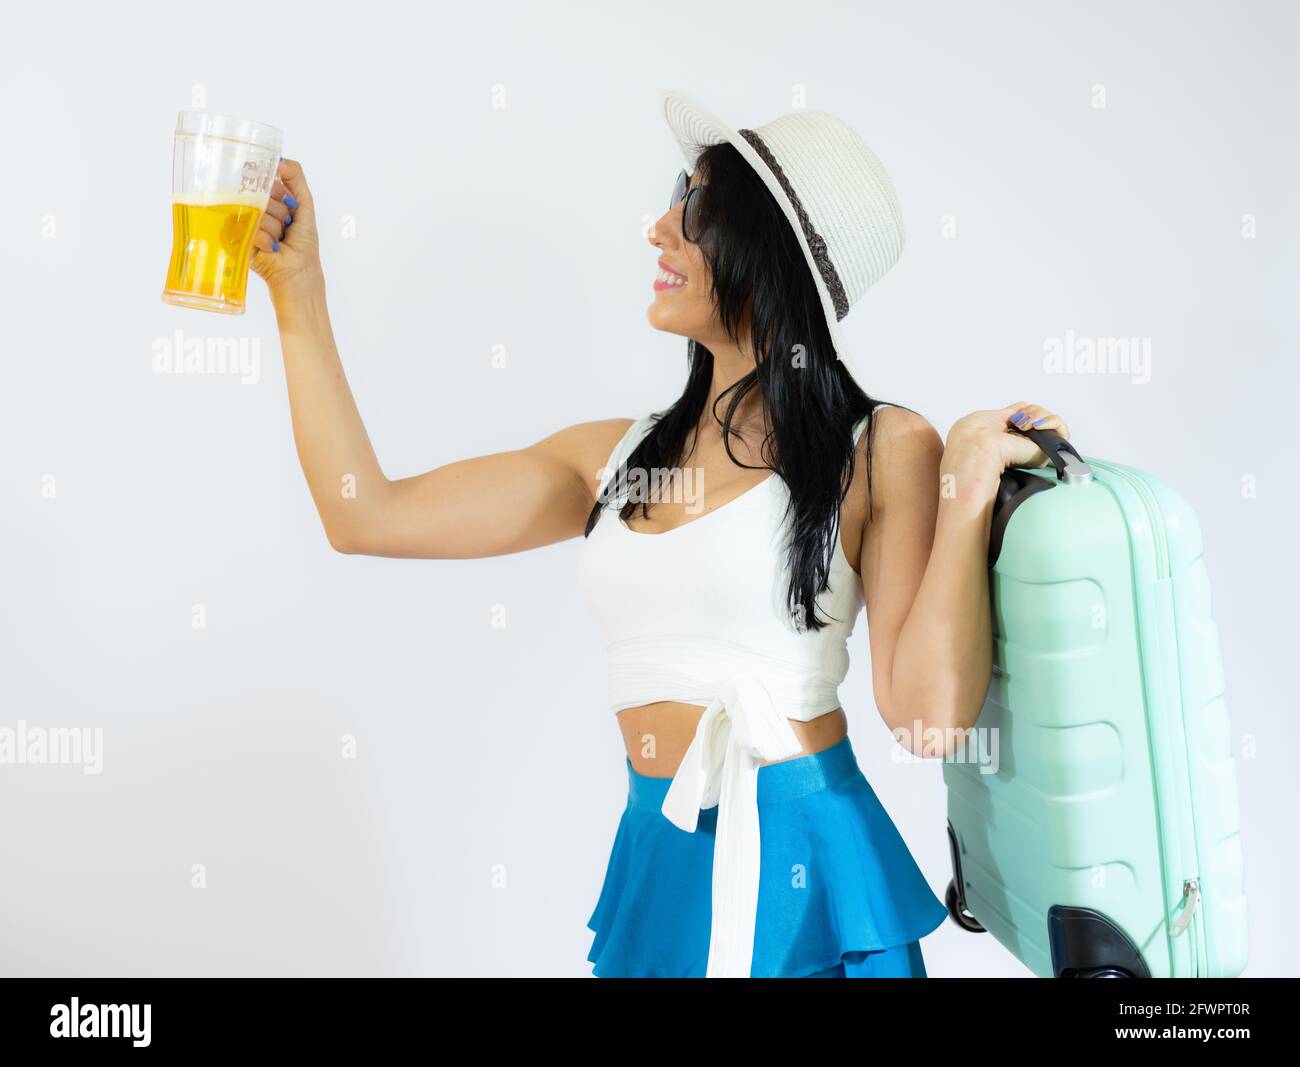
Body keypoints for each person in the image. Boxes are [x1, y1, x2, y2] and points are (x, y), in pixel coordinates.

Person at [249, 90, 1070, 978]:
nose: (660, 228)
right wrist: (299, 290)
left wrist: (968, 486)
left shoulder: (883, 448)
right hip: (662, 846)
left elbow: (928, 718)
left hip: (807, 870)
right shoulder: (614, 459)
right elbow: (363, 511)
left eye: (699, 208)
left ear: (774, 254)